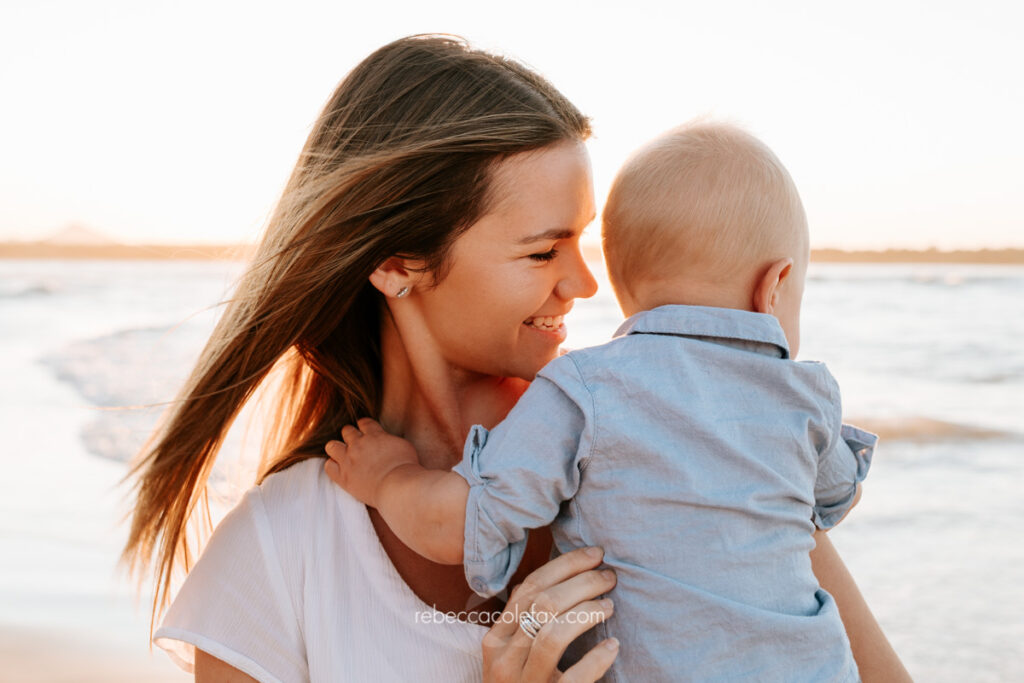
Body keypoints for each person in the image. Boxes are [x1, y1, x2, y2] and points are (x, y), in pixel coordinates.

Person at [121, 35, 910, 682]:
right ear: (399, 263)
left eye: (583, 240)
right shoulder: (277, 555)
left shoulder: (690, 451)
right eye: (541, 252)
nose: (585, 281)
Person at [323, 122, 877, 681]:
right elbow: (831, 497)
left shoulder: (583, 391)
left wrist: (390, 476)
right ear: (774, 287)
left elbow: (462, 525)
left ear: (621, 285)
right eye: (542, 252)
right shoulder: (805, 396)